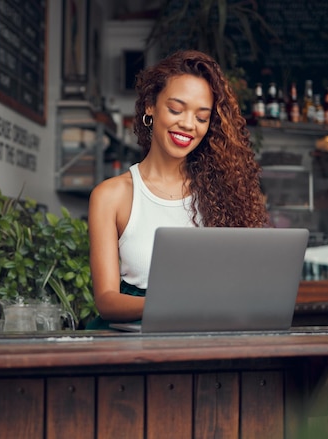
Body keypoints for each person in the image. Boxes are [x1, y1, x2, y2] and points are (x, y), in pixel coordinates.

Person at [87, 50, 269, 325]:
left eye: (202, 117)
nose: (187, 124)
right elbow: (107, 301)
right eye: (176, 109)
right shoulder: (111, 196)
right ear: (150, 105)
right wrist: (172, 305)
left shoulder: (223, 194)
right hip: (134, 347)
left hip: (206, 341)